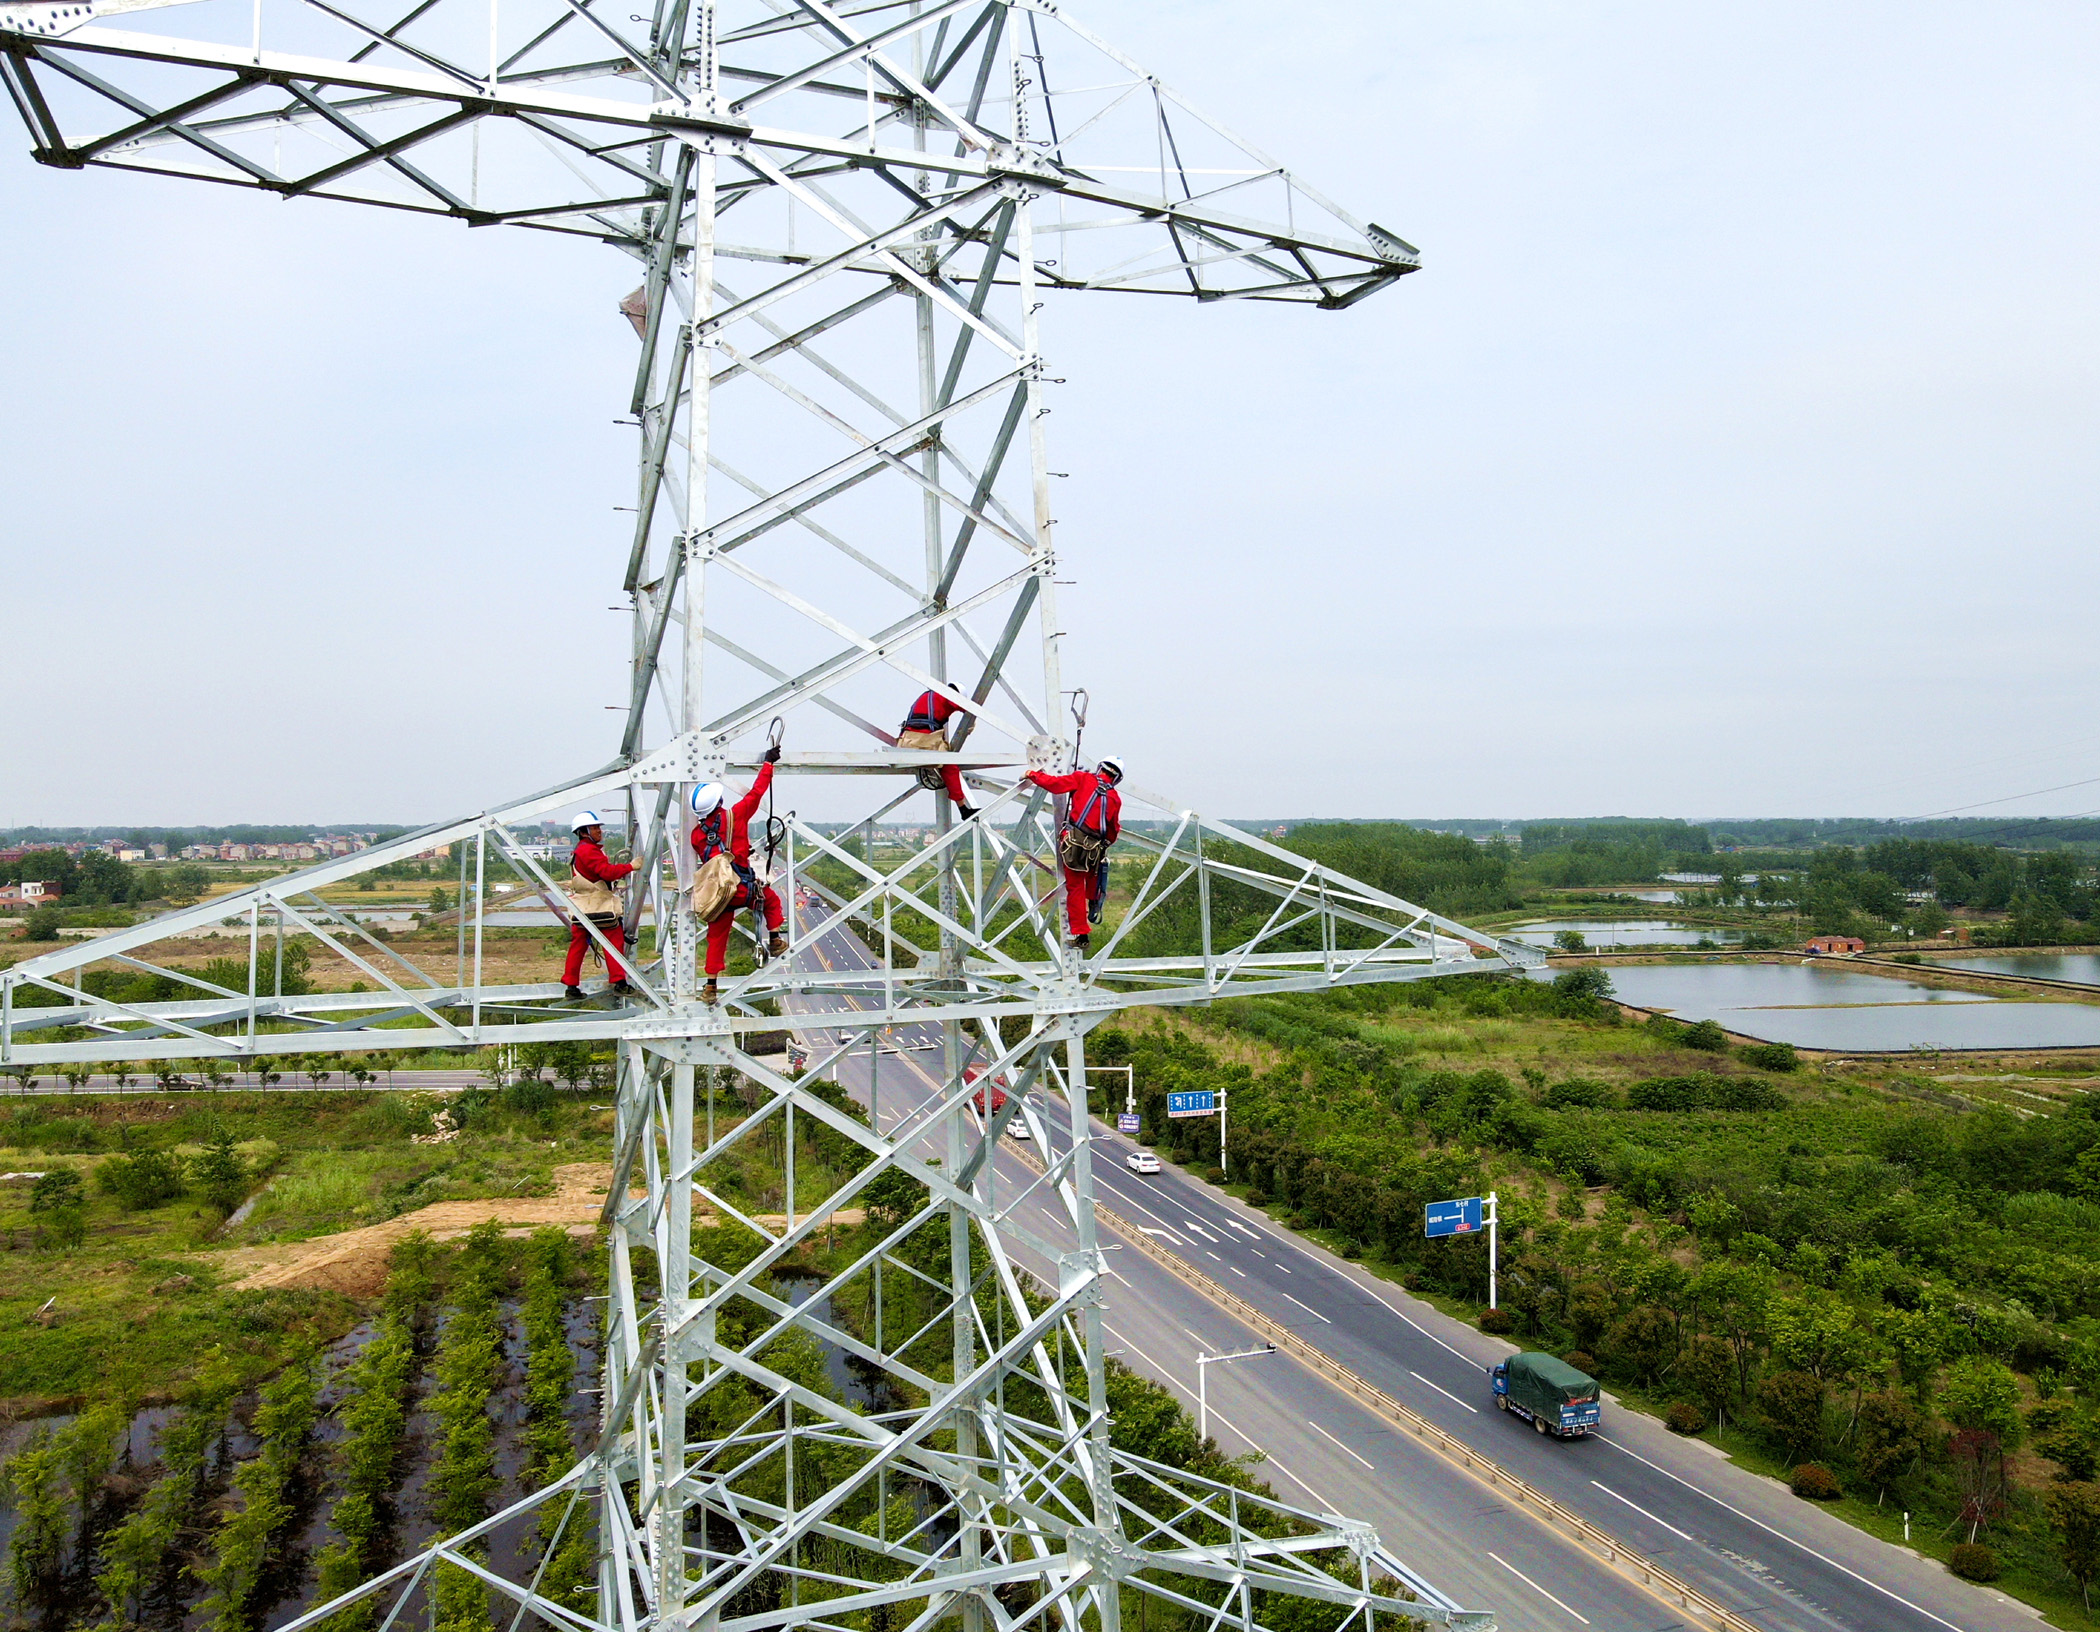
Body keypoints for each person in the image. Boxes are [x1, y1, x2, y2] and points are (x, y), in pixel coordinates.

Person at [692, 744, 788, 1005]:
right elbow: (757, 794)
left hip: (718, 895)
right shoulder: (735, 817)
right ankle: (776, 939)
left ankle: (710, 986)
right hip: (742, 888)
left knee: (716, 937)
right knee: (771, 900)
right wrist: (768, 764)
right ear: (719, 803)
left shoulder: (696, 835)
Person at [1026, 754, 1122, 951]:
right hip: (1094, 848)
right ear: (1116, 778)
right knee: (1093, 875)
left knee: (1075, 886)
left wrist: (1032, 775)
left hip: (1074, 844)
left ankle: (1081, 932)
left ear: (1101, 768)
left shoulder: (1083, 778)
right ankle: (1094, 903)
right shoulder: (1114, 798)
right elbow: (1112, 831)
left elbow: (1054, 785)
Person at [561, 811, 635, 1001]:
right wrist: (630, 867)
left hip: (583, 908)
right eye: (595, 828)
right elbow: (607, 873)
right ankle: (620, 983)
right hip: (599, 907)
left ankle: (571, 986)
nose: (599, 831)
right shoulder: (588, 851)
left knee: (578, 946)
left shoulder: (581, 850)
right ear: (584, 831)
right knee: (613, 942)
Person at [897, 686, 977, 819]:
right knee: (950, 766)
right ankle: (963, 808)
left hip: (907, 740)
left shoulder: (928, 696)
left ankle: (963, 807)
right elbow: (959, 704)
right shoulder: (946, 695)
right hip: (923, 739)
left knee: (945, 760)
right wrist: (971, 716)